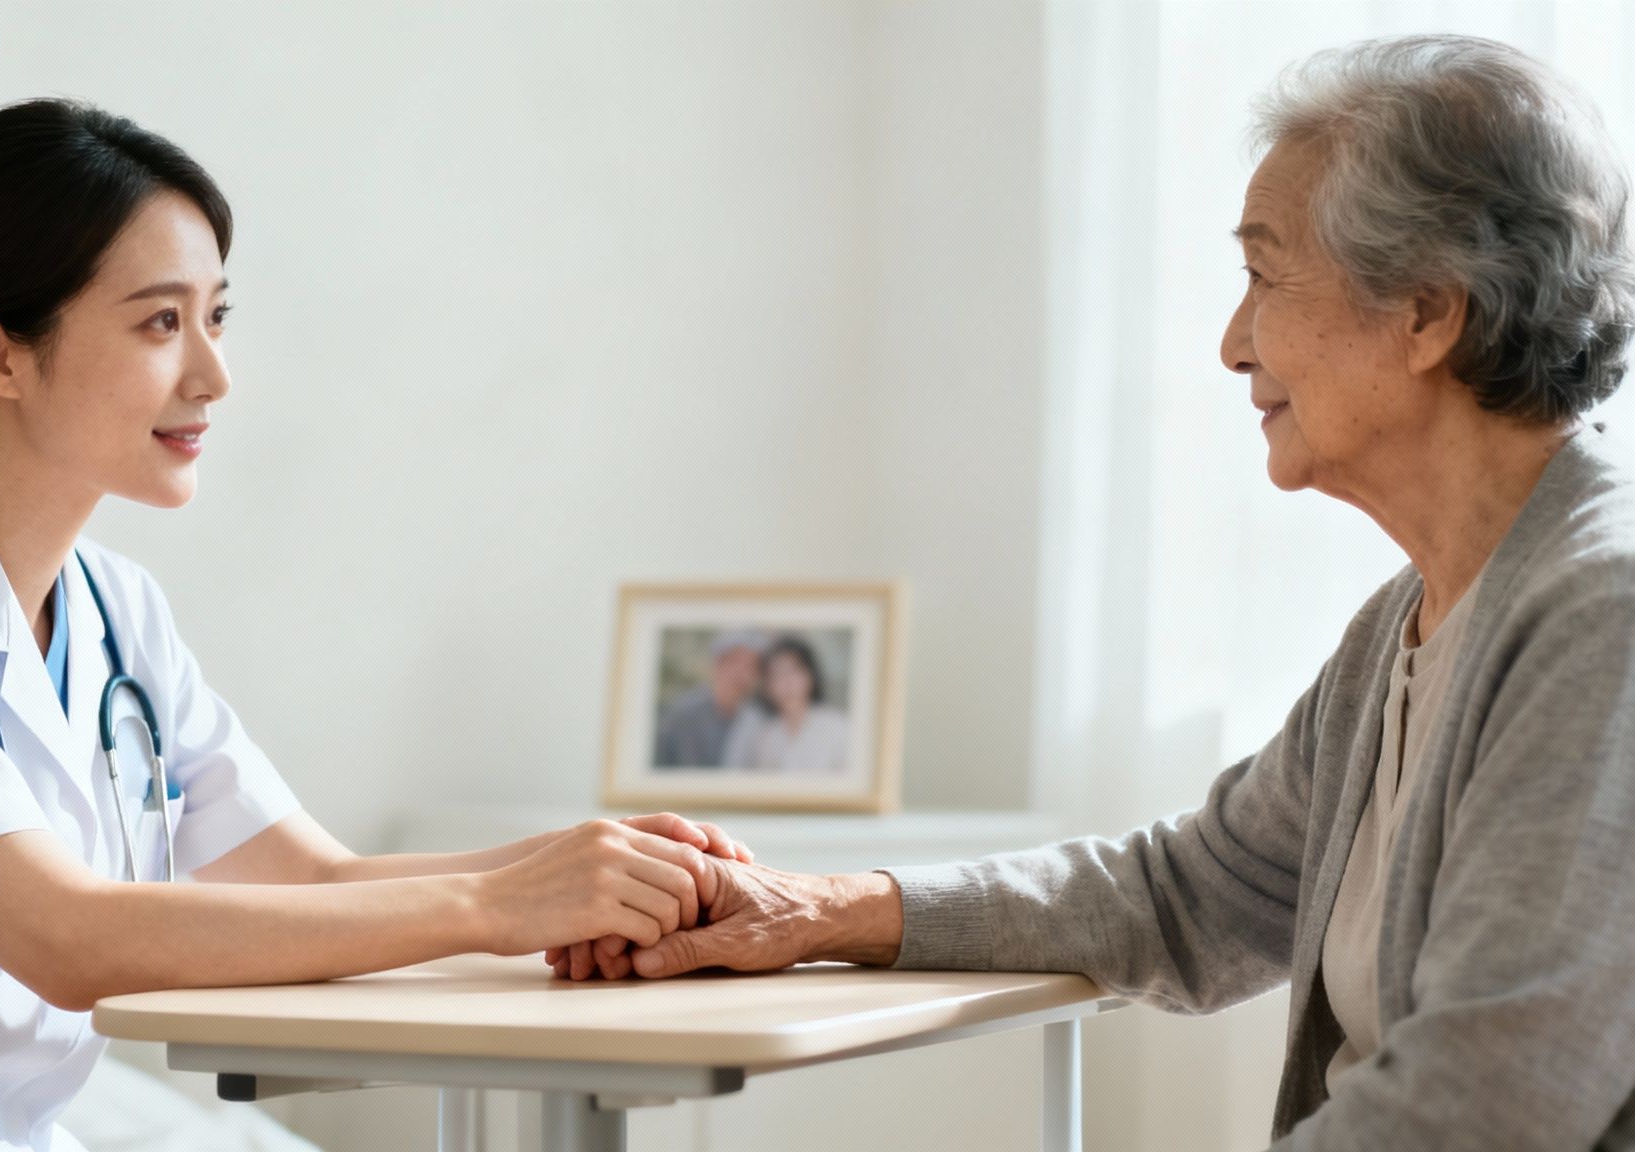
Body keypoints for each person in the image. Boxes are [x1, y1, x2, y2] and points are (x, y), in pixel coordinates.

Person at [0, 99, 750, 1152]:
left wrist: (593, 865)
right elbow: (69, 940)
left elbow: (306, 877)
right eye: (159, 325)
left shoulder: (112, 607)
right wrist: (505, 905)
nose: (215, 375)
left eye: (215, 316)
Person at [558, 35, 1635, 1148]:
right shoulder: (1403, 627)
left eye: (1263, 276)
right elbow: (1189, 895)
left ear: (1425, 310)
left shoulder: (1599, 616)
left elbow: (1493, 1100)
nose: (1230, 345)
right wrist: (815, 911)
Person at [721, 636, 851, 773]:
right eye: (777, 675)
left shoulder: (838, 727)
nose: (787, 683)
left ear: (810, 675)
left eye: (793, 671)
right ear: (767, 687)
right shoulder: (766, 739)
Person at [653, 629, 764, 767]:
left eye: (751, 666)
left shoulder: (756, 719)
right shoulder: (685, 715)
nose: (742, 674)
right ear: (717, 665)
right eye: (734, 662)